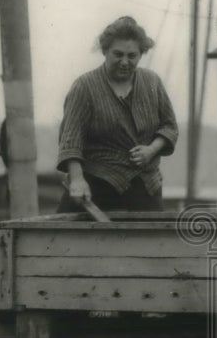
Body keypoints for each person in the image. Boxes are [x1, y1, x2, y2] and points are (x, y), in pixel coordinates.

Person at [57, 16, 179, 213]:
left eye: (132, 56)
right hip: (96, 188)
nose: (125, 62)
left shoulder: (152, 82)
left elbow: (170, 126)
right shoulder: (84, 86)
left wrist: (151, 150)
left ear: (141, 54)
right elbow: (71, 138)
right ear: (105, 51)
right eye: (118, 54)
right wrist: (77, 180)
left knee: (150, 241)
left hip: (145, 186)